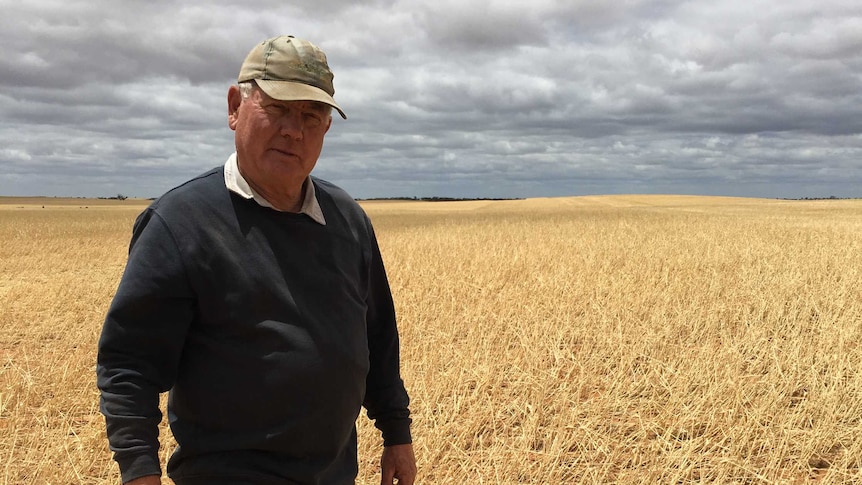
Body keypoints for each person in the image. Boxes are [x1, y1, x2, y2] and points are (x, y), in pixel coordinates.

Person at [96, 35, 416, 485]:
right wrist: (139, 471)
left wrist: (396, 433)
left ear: (326, 127)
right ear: (234, 107)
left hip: (334, 475)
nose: (294, 129)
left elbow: (378, 337)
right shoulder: (181, 223)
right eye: (279, 108)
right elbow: (129, 364)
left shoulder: (348, 220)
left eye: (311, 114)